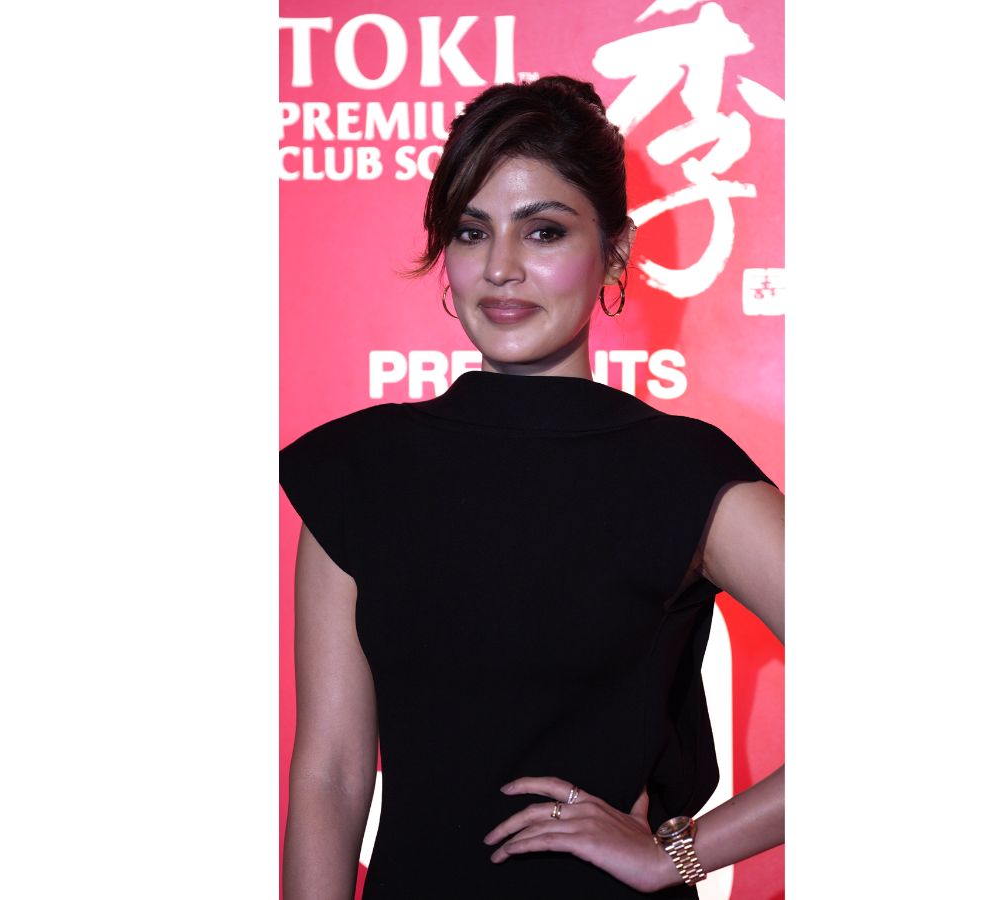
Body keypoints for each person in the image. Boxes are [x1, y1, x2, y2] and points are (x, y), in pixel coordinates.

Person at [280, 75, 784, 898]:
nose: (501, 268)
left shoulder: (686, 473)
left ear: (615, 252)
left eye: (543, 231)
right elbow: (331, 777)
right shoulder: (357, 470)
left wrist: (676, 854)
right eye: (472, 231)